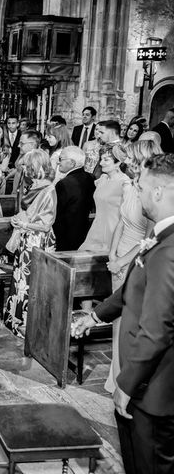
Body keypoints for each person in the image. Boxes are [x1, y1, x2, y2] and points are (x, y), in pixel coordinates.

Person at [73, 153, 174, 474]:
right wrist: (95, 316)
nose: (138, 192)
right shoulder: (160, 238)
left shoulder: (170, 251)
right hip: (147, 382)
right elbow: (133, 288)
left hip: (153, 390)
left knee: (148, 465)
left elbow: (158, 328)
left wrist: (127, 384)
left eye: (142, 187)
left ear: (158, 191)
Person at [103, 140, 162, 394]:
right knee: (118, 323)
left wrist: (122, 260)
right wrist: (112, 252)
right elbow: (121, 223)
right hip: (119, 254)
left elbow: (149, 237)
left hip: (136, 257)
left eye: (132, 158)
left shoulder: (152, 194)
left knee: (130, 323)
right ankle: (115, 376)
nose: (128, 161)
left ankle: (126, 382)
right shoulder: (131, 187)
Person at [3, 149, 57, 336]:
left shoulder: (49, 190)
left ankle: (28, 322)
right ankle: (16, 318)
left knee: (30, 281)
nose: (24, 168)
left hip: (37, 241)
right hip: (26, 238)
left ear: (36, 166)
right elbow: (25, 211)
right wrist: (16, 220)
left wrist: (25, 224)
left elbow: (47, 223)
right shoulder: (32, 185)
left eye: (27, 165)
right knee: (20, 279)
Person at [79, 144, 131, 253]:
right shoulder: (102, 179)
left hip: (113, 232)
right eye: (101, 159)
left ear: (119, 162)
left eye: (106, 160)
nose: (101, 163)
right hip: (96, 229)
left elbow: (128, 214)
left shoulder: (125, 183)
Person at [53, 146, 95, 251]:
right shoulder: (90, 178)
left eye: (61, 159)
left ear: (72, 163)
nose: (58, 163)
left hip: (64, 236)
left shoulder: (64, 184)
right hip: (83, 232)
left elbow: (57, 213)